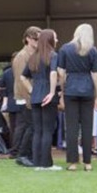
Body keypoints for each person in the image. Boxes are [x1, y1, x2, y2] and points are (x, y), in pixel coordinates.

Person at [57, 23, 97, 171]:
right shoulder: (93, 50)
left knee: (71, 128)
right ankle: (88, 162)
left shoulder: (65, 49)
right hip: (87, 89)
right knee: (87, 127)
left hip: (71, 89)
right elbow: (95, 75)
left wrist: (62, 91)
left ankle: (72, 162)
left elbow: (61, 73)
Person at [22, 29, 62, 171]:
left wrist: (32, 90)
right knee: (47, 131)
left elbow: (23, 77)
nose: (57, 40)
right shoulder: (53, 55)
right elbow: (53, 73)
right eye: (55, 38)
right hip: (47, 96)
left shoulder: (33, 56)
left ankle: (38, 163)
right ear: (50, 40)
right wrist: (52, 92)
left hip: (35, 97)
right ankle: (46, 164)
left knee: (38, 130)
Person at [13, 27, 41, 167]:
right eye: (36, 39)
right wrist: (30, 98)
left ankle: (27, 154)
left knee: (31, 127)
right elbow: (21, 80)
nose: (38, 42)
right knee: (30, 126)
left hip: (31, 96)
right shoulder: (21, 56)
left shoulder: (33, 54)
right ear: (28, 39)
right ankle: (22, 155)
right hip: (25, 97)